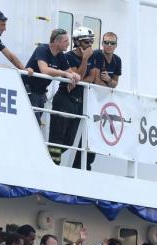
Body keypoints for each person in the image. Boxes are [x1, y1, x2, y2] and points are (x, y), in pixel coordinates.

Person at [48, 26, 97, 169]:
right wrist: (84, 60)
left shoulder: (92, 57)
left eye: (91, 41)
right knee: (56, 139)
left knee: (70, 141)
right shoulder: (68, 56)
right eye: (86, 42)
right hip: (64, 100)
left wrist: (80, 79)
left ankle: (48, 158)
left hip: (77, 103)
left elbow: (91, 77)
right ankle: (52, 165)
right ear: (78, 42)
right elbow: (79, 77)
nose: (89, 45)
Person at [23, 28, 80, 126]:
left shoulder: (60, 55)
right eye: (66, 41)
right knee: (32, 124)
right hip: (29, 91)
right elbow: (44, 70)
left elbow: (70, 72)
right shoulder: (42, 49)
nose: (68, 44)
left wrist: (75, 76)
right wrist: (65, 74)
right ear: (56, 42)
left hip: (41, 93)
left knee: (36, 125)